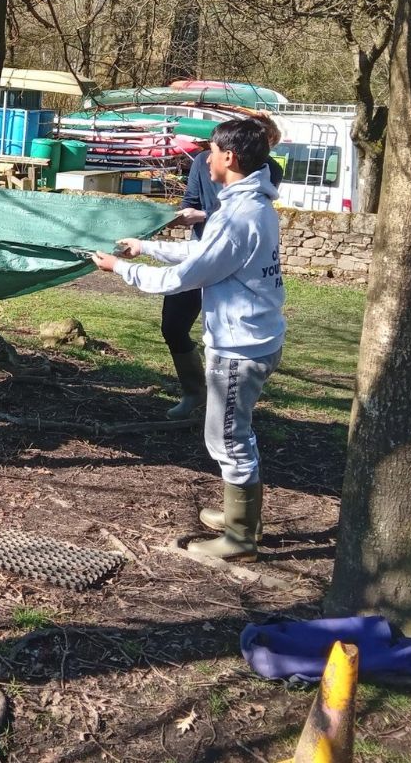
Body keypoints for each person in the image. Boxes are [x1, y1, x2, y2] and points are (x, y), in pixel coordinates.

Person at [92, 118, 286, 561]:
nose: (207, 158)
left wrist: (121, 269)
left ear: (230, 158)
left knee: (227, 438)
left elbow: (184, 278)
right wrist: (147, 247)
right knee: (236, 433)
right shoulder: (251, 205)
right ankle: (242, 515)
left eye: (213, 152)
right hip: (257, 336)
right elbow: (205, 251)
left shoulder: (239, 215)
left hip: (240, 346)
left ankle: (240, 539)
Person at [162, 113, 284, 420]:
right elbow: (189, 200)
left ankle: (228, 399)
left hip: (236, 262)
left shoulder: (270, 169)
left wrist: (205, 215)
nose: (261, 153)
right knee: (173, 325)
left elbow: (245, 209)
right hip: (200, 251)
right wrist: (188, 213)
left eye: (266, 145)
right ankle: (194, 394)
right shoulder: (205, 160)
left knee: (226, 332)